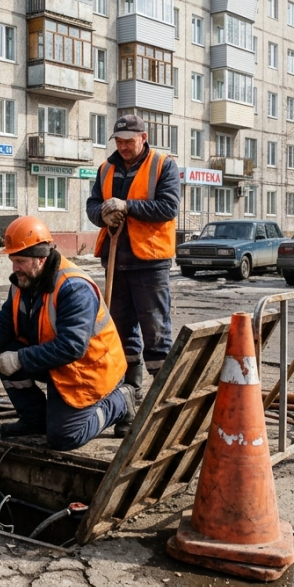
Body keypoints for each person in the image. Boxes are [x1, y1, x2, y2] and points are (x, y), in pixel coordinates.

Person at [0, 216, 135, 451]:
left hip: (91, 371)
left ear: (41, 258)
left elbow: (71, 347)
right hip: (59, 363)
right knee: (5, 352)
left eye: (20, 261)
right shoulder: (24, 280)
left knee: (65, 437)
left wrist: (20, 359)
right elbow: (6, 320)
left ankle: (120, 402)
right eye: (12, 260)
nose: (15, 268)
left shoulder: (74, 288)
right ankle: (34, 420)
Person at [85, 114, 181, 437]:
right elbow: (92, 205)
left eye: (129, 141)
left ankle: (164, 408)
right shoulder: (106, 169)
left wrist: (127, 207)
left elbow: (167, 207)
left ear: (143, 137)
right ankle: (129, 403)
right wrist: (103, 213)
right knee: (121, 336)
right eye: (119, 141)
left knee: (157, 338)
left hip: (150, 263)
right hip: (115, 261)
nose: (123, 147)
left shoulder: (163, 166)